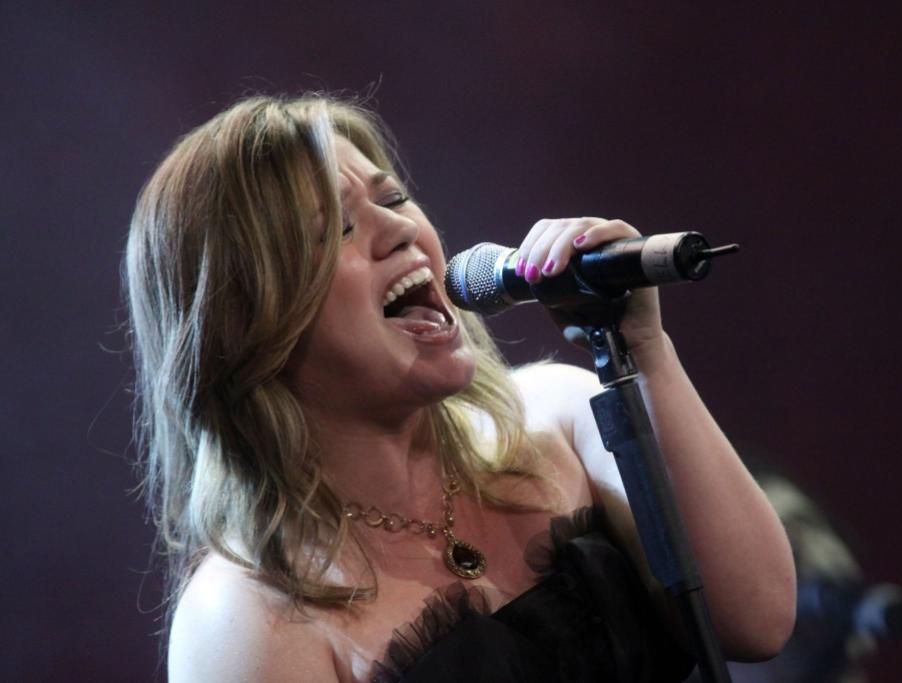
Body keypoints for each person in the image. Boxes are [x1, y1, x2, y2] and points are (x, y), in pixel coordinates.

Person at [125, 94, 796, 682]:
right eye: (338, 230)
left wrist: (643, 350)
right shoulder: (245, 619)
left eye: (394, 199)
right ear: (250, 323)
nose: (401, 230)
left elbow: (757, 619)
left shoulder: (565, 416)